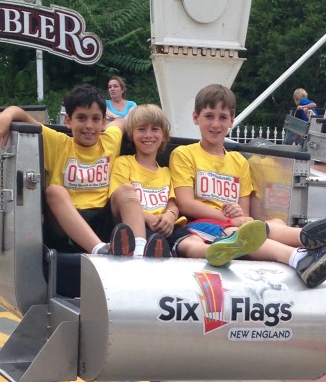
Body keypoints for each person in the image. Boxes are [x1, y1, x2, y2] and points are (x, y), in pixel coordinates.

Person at [169, 84, 326, 289]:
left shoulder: (238, 161)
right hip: (199, 228)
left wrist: (238, 215)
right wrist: (229, 217)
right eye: (209, 116)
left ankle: (313, 237)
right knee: (241, 233)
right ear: (196, 118)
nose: (215, 124)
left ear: (232, 120)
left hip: (232, 224)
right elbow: (185, 203)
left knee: (272, 223)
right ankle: (299, 257)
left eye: (222, 117)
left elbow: (244, 211)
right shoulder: (185, 154)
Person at [0, 84, 167, 258]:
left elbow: (122, 121)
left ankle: (141, 250)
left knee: (126, 189)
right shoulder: (58, 142)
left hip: (103, 217)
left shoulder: (109, 140)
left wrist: (142, 121)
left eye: (95, 119)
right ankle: (100, 251)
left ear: (103, 122)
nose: (89, 125)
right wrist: (5, 117)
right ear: (68, 121)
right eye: (81, 118)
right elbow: (20, 114)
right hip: (67, 222)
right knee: (54, 191)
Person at [110, 103, 268, 265]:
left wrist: (170, 216)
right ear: (131, 133)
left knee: (190, 240)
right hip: (137, 227)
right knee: (166, 239)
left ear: (164, 135)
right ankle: (139, 251)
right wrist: (150, 218)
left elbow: (172, 203)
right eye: (141, 129)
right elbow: (122, 200)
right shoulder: (124, 163)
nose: (148, 135)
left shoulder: (165, 172)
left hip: (167, 227)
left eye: (155, 129)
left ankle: (218, 250)